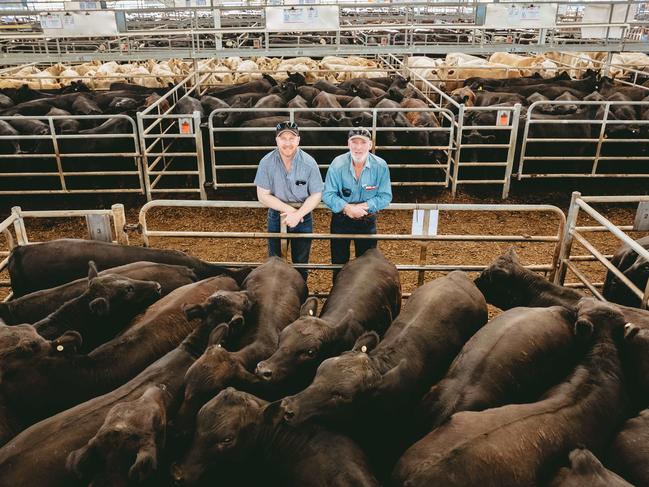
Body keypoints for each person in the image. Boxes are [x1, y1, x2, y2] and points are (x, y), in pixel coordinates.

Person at [254, 121, 323, 281]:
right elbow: (262, 195)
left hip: (304, 217)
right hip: (276, 216)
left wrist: (299, 214)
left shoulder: (309, 163)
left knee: (301, 263)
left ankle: (300, 295)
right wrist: (291, 211)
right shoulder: (266, 162)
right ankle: (275, 295)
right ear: (276, 140)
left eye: (291, 138)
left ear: (298, 140)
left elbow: (316, 194)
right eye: (282, 138)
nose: (287, 143)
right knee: (274, 262)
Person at [322, 127, 392, 280]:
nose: (358, 147)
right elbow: (327, 194)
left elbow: (385, 196)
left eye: (363, 143)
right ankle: (338, 296)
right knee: (339, 264)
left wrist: (364, 207)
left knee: (367, 264)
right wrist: (347, 208)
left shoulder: (380, 166)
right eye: (354, 142)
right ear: (348, 144)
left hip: (367, 219)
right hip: (341, 219)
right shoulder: (337, 164)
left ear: (370, 145)